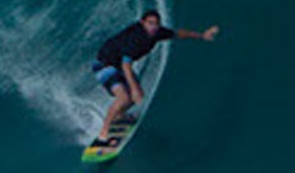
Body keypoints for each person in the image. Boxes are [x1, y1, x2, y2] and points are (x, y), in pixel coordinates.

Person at [92, 8, 218, 136]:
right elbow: (126, 66)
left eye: (156, 23)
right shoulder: (135, 39)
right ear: (142, 22)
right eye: (150, 23)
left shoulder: (157, 32)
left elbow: (179, 34)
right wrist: (134, 88)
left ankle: (119, 116)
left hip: (118, 64)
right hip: (104, 64)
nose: (153, 26)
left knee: (135, 96)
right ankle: (104, 131)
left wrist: (202, 35)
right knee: (124, 97)